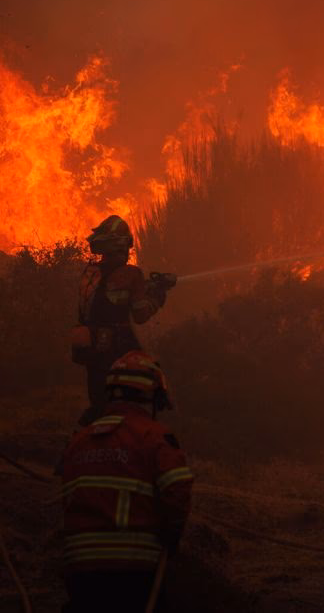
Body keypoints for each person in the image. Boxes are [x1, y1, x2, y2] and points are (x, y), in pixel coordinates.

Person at [59, 351, 194, 612]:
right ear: (150, 396)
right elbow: (177, 491)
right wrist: (173, 533)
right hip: (133, 567)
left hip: (79, 568)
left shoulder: (78, 441)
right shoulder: (153, 436)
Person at [72, 215, 170, 425]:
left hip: (92, 350)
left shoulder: (89, 272)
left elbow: (109, 297)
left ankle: (87, 445)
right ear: (120, 246)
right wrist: (157, 296)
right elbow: (140, 314)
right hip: (120, 351)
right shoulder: (131, 274)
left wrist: (145, 288)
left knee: (98, 404)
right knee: (128, 403)